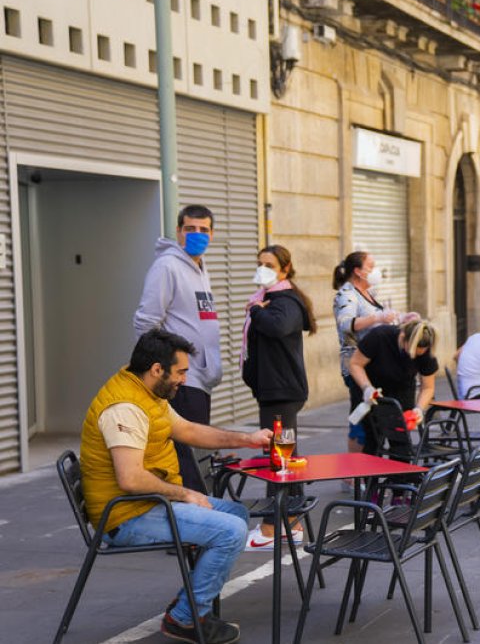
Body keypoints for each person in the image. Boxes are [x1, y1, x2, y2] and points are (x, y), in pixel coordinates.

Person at [81, 329, 272, 644]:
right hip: (125, 517)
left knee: (236, 513)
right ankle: (184, 618)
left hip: (147, 503)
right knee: (230, 532)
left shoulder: (146, 391)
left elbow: (188, 430)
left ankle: (189, 602)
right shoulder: (125, 408)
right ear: (157, 369)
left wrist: (247, 439)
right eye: (181, 371)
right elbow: (130, 479)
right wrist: (185, 493)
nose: (185, 378)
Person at [133, 204, 222, 493]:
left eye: (204, 229)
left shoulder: (198, 267)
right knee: (188, 455)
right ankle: (195, 520)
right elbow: (147, 321)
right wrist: (163, 369)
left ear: (212, 233)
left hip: (200, 377)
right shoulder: (167, 266)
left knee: (196, 453)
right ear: (178, 232)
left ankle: (201, 514)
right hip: (181, 378)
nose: (197, 234)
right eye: (190, 229)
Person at [239, 244, 317, 551]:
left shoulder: (284, 301)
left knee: (279, 458)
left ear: (284, 269)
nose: (262, 269)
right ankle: (291, 524)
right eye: (259, 263)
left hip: (281, 393)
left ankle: (274, 528)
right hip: (276, 391)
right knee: (285, 457)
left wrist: (258, 311)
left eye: (269, 264)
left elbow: (276, 326)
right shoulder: (272, 299)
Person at [332, 251, 399, 456]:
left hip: (375, 364)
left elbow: (379, 320)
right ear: (358, 271)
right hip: (357, 364)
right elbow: (346, 324)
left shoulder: (368, 293)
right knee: (361, 417)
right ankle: (353, 473)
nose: (375, 270)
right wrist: (377, 318)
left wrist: (401, 319)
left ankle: (370, 467)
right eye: (371, 266)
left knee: (374, 419)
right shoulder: (347, 294)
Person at [347, 319, 438, 459]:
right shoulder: (379, 336)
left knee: (401, 443)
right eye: (410, 352)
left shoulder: (426, 351)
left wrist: (419, 409)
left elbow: (428, 387)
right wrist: (367, 388)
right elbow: (355, 364)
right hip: (371, 389)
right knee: (372, 439)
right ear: (402, 337)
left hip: (402, 390)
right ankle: (369, 478)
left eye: (418, 355)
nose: (412, 357)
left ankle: (400, 478)